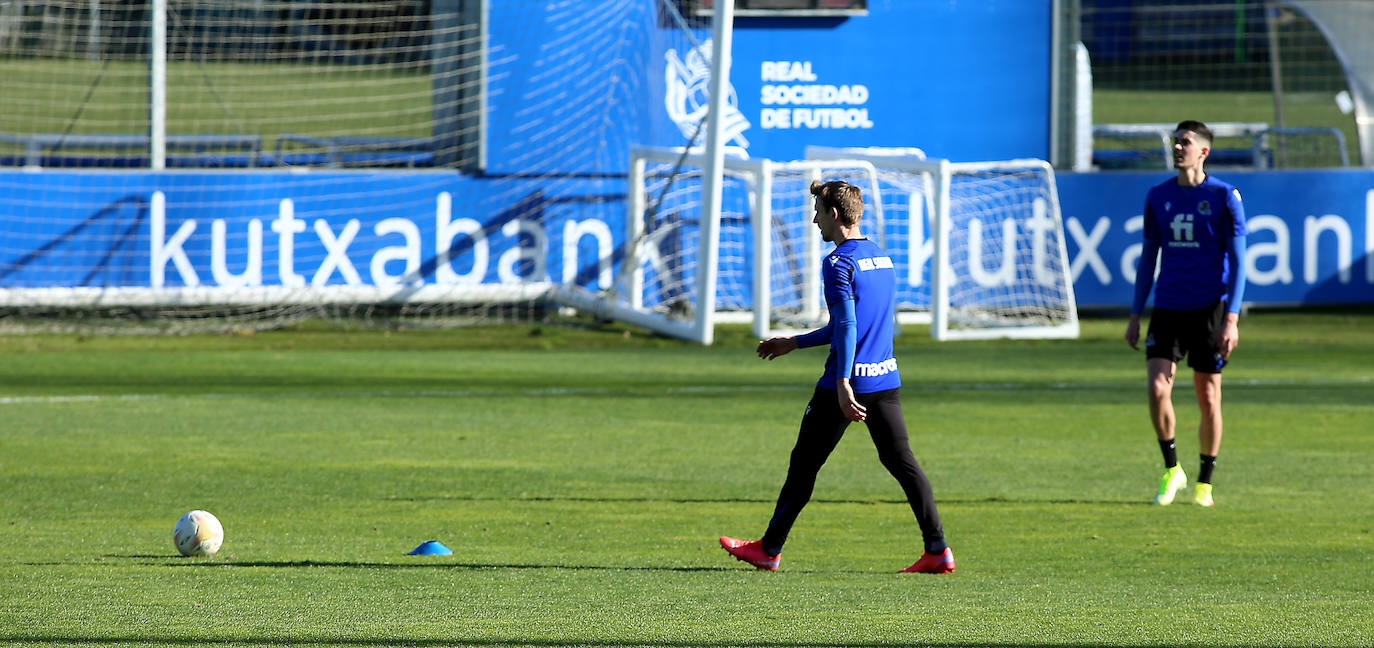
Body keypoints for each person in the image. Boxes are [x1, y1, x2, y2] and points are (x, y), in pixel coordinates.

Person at [719, 179, 953, 574]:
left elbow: (846, 326)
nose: (814, 221)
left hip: (844, 385)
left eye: (817, 212)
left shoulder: (837, 262)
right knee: (903, 463)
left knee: (803, 465)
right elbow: (853, 325)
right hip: (884, 380)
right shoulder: (880, 257)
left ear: (833, 214)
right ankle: (937, 550)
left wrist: (843, 382)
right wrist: (794, 342)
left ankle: (769, 549)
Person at [1125, 120, 1248, 508]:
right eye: (1175, 142)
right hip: (1168, 306)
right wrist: (1134, 313)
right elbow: (1148, 259)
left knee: (1208, 396)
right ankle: (1171, 468)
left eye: (1185, 142)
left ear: (1204, 151)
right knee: (1157, 387)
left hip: (1210, 308)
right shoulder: (1157, 197)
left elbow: (1240, 263)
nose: (1178, 148)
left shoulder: (1224, 196)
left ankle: (1205, 482)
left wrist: (1231, 319)